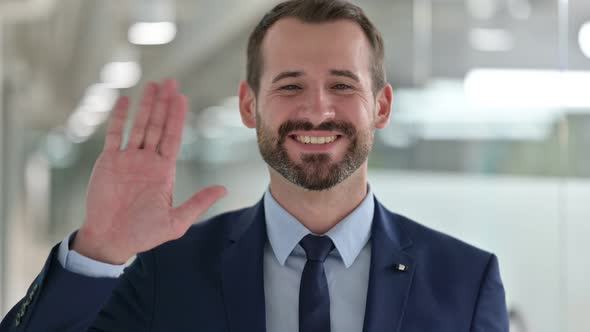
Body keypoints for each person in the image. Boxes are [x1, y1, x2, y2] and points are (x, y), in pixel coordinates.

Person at [0, 0, 508, 331]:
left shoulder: (465, 281)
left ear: (381, 106)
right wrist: (100, 250)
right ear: (248, 106)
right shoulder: (166, 272)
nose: (316, 110)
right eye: (289, 86)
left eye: (342, 85)